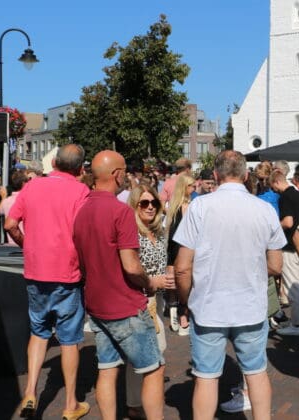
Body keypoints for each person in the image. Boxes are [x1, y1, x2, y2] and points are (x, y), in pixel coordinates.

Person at [173, 150, 286, 420]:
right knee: (256, 372)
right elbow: (275, 265)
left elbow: (182, 266)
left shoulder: (200, 206)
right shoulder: (264, 209)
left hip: (208, 306)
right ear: (246, 175)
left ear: (215, 175)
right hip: (250, 305)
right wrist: (249, 272)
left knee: (206, 377)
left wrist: (185, 300)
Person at [73, 150, 167, 420]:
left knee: (108, 368)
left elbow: (82, 261)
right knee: (153, 369)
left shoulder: (82, 211)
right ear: (116, 174)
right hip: (125, 305)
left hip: (96, 303)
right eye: (124, 171)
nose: (125, 177)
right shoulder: (120, 211)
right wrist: (149, 282)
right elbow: (131, 265)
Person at [3, 144, 91, 420]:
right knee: (69, 340)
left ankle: (30, 392)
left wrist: (27, 244)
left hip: (36, 272)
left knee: (39, 333)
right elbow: (84, 235)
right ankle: (70, 404)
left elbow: (10, 224)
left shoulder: (32, 187)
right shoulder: (80, 191)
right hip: (68, 274)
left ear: (54, 163)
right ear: (80, 168)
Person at [124, 185, 169, 419]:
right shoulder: (131, 233)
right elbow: (129, 270)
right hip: (140, 298)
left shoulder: (159, 232)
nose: (150, 207)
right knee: (153, 351)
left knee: (141, 353)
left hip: (157, 299)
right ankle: (139, 404)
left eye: (154, 203)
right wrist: (152, 281)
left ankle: (135, 401)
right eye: (144, 203)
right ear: (135, 205)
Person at [269, 171, 299, 336]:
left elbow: (288, 222)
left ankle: (296, 324)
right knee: (295, 284)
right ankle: (295, 323)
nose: (274, 191)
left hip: (289, 246)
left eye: (273, 187)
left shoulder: (285, 197)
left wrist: (272, 228)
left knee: (293, 286)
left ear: (276, 182)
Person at [165, 174, 196, 335]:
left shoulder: (172, 206)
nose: (194, 189)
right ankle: (183, 317)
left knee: (173, 284)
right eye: (191, 186)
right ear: (185, 187)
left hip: (172, 248)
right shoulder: (188, 206)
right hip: (185, 249)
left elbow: (169, 231)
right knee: (185, 284)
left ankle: (173, 312)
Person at [0, 170, 29, 245]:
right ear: (24, 183)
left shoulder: (6, 201)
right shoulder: (28, 199)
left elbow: (0, 211)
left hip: (12, 242)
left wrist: (3, 197)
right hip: (25, 242)